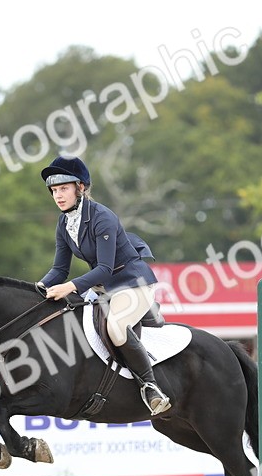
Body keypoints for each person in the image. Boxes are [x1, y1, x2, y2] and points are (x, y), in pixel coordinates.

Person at [37, 154, 172, 415]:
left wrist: (70, 287)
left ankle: (150, 387)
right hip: (105, 287)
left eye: (63, 188)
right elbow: (59, 269)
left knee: (116, 327)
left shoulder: (102, 217)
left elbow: (105, 269)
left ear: (81, 188)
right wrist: (38, 288)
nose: (58, 196)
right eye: (54, 190)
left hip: (133, 283)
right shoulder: (64, 223)